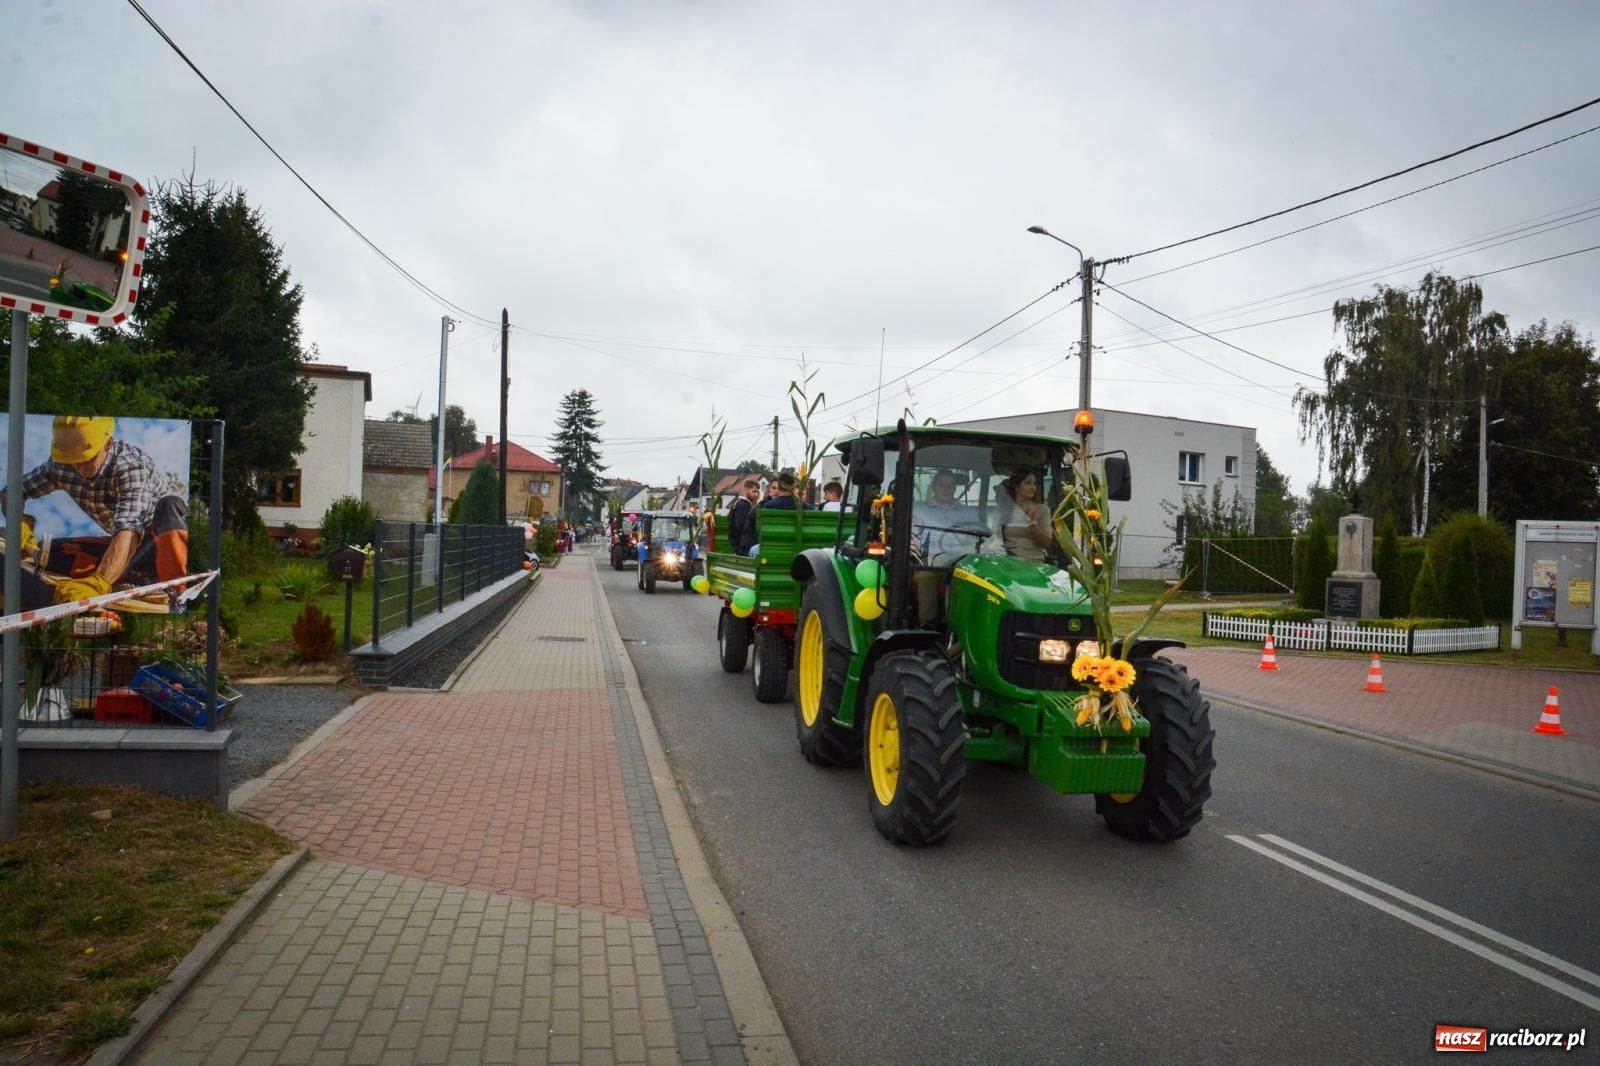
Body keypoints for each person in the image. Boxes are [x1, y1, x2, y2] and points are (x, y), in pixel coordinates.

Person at [1, 415, 188, 605]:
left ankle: (172, 591)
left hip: (156, 544)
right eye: (73, 461)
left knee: (170, 505)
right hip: (124, 546)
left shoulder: (131, 467)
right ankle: (132, 578)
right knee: (51, 552)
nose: (80, 467)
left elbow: (129, 529)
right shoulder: (60, 465)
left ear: (108, 444)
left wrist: (100, 583)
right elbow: (13, 492)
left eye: (86, 459)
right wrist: (18, 523)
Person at [910, 469, 987, 625]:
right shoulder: (919, 509)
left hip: (961, 560)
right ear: (933, 487)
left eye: (950, 485)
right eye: (942, 485)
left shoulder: (967, 513)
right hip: (931, 559)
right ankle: (927, 625)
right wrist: (920, 556)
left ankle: (960, 625)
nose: (946, 489)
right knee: (926, 576)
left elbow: (976, 540)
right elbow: (913, 537)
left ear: (955, 488)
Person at [998, 469, 1053, 562]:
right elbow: (995, 537)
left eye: (1034, 483)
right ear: (1017, 487)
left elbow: (1047, 543)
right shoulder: (1004, 509)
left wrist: (1031, 522)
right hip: (1007, 562)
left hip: (1033, 563)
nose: (1033, 487)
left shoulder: (1042, 509)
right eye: (1028, 483)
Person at [726, 478, 761, 556]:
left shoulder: (739, 503)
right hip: (741, 545)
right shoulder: (743, 505)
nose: (756, 495)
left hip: (738, 544)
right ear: (746, 490)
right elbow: (742, 527)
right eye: (754, 491)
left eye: (757, 492)